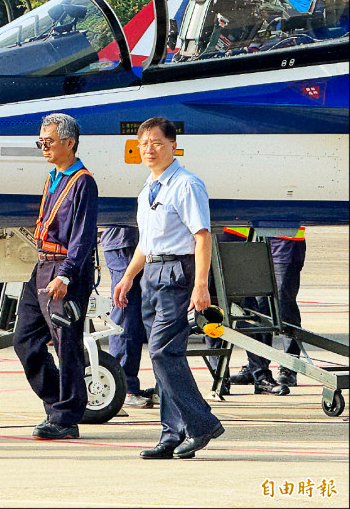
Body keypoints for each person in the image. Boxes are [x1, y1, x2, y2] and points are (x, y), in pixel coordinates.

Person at [113, 117, 223, 459]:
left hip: (179, 271)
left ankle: (201, 424)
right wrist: (128, 276)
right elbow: (146, 243)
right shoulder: (148, 189)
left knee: (164, 350)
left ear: (173, 146)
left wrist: (201, 285)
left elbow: (202, 236)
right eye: (143, 144)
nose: (148, 149)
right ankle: (171, 434)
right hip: (153, 272)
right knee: (162, 356)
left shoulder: (187, 185)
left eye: (156, 143)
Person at [13, 113, 98, 440]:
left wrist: (66, 275)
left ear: (69, 143)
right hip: (42, 267)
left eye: (48, 142)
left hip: (65, 272)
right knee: (24, 339)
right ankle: (57, 403)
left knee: (66, 345)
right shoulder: (53, 177)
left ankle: (66, 417)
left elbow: (82, 237)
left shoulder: (83, 183)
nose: (43, 147)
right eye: (41, 142)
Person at [223, 227, 307, 388]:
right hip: (249, 242)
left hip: (284, 241)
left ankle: (290, 364)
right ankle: (258, 365)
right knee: (257, 309)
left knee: (283, 305)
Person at [101, 226, 154, 408]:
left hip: (134, 243)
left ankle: (126, 384)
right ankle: (124, 385)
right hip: (125, 243)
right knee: (126, 313)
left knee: (133, 314)